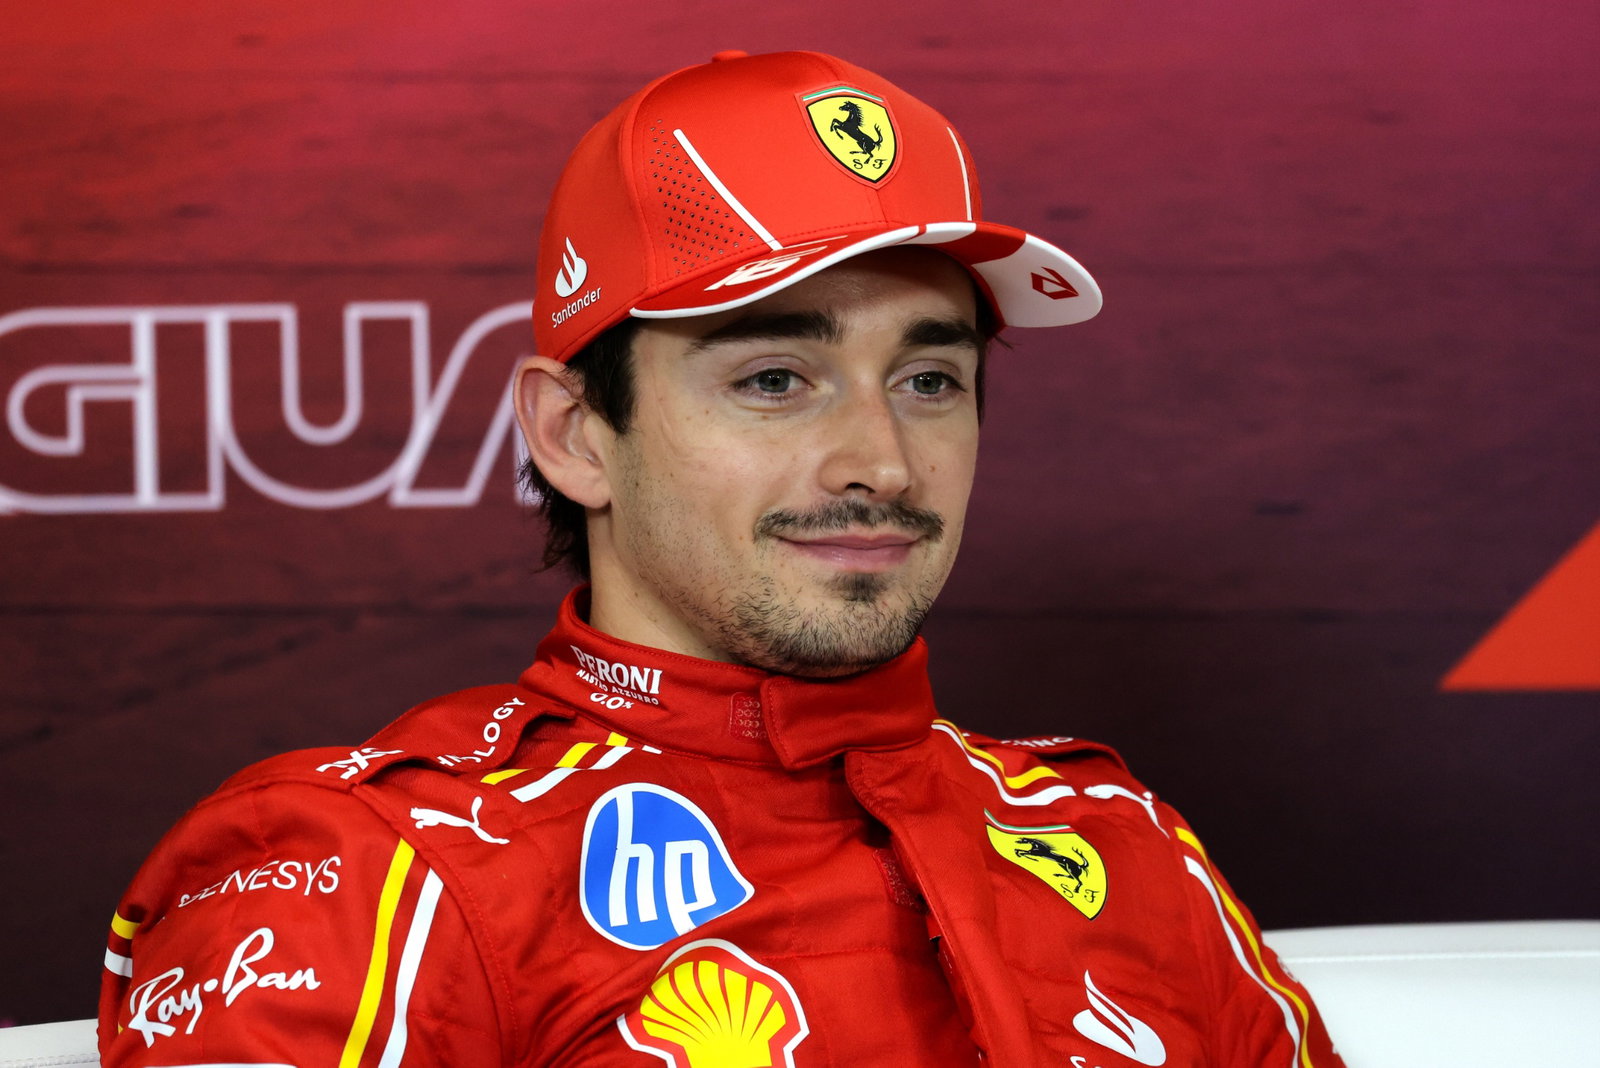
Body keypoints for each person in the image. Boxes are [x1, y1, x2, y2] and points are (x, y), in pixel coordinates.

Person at [99, 50, 1344, 1067]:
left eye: (927, 379)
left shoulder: (1122, 842)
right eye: (773, 379)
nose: (882, 462)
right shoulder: (368, 869)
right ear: (574, 435)